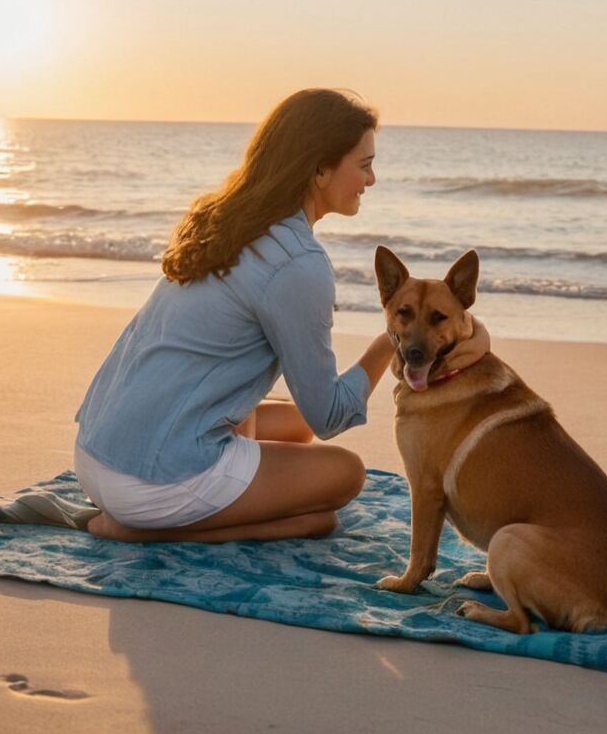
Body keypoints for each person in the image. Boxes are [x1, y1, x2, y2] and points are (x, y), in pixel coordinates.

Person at [73, 88, 403, 544]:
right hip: (150, 483)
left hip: (97, 452)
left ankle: (159, 508)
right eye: (364, 165)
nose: (372, 179)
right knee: (346, 473)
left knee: (295, 425)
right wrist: (391, 338)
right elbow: (331, 416)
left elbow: (309, 418)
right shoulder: (298, 265)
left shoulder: (225, 219)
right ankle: (141, 531)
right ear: (320, 169)